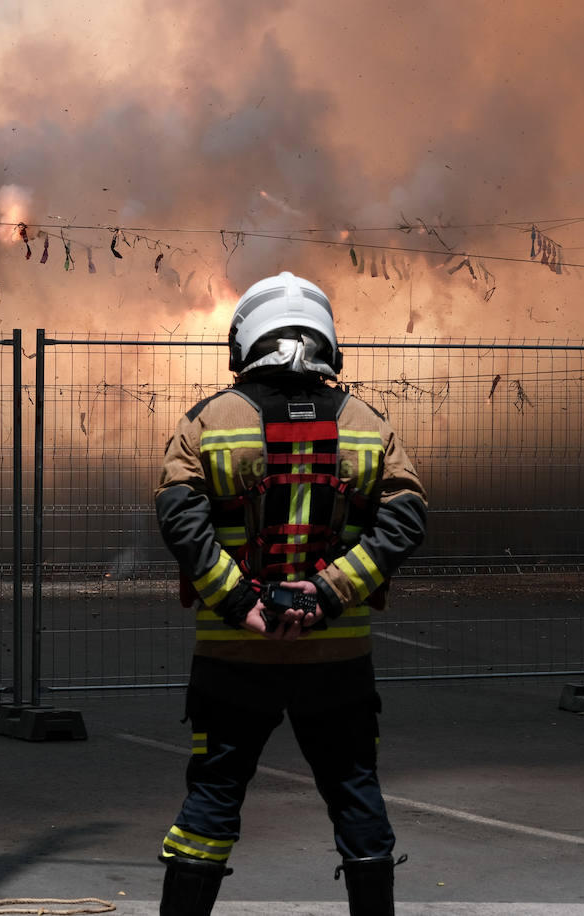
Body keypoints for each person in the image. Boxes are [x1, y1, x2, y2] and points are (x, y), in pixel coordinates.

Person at [152, 270, 428, 915]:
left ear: (247, 336)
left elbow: (178, 517)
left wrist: (240, 603)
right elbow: (407, 516)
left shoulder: (206, 422)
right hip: (338, 662)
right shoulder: (369, 425)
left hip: (231, 659)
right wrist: (329, 594)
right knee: (356, 793)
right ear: (326, 338)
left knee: (213, 795)